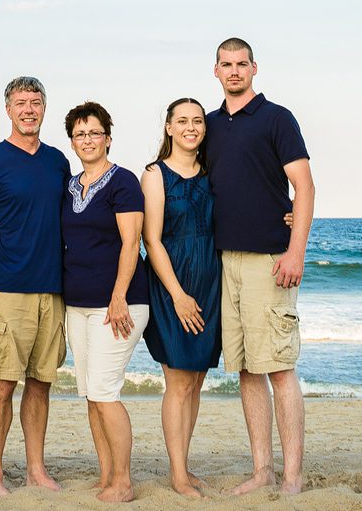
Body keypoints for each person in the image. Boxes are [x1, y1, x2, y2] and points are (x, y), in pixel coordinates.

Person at [206, 38, 315, 496]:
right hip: (223, 262)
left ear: (255, 69)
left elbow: (305, 187)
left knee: (279, 369)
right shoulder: (207, 125)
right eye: (226, 65)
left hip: (270, 261)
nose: (234, 72)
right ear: (215, 71)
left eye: (241, 64)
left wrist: (296, 251)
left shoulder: (277, 118)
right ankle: (261, 470)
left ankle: (292, 475)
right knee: (247, 370)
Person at [0, 76, 70, 496]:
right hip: (9, 288)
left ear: (45, 108)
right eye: (20, 103)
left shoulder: (59, 161)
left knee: (42, 381)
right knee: (4, 382)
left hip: (55, 288)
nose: (29, 110)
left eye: (36, 102)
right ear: (7, 109)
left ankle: (35, 469)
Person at [60, 100, 152, 504]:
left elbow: (131, 242)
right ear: (72, 141)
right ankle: (106, 475)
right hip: (76, 305)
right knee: (90, 395)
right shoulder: (68, 186)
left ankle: (124, 482)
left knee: (105, 393)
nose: (87, 139)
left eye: (94, 132)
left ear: (108, 138)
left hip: (119, 304)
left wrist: (117, 297)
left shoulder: (123, 182)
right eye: (80, 134)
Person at [141, 98, 222, 498]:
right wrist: (178, 296)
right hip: (173, 286)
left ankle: (185, 469)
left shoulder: (212, 173)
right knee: (177, 381)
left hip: (211, 284)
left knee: (196, 381)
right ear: (169, 127)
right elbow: (151, 241)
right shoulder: (155, 175)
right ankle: (176, 475)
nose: (191, 127)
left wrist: (288, 214)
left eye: (198, 121)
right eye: (182, 121)